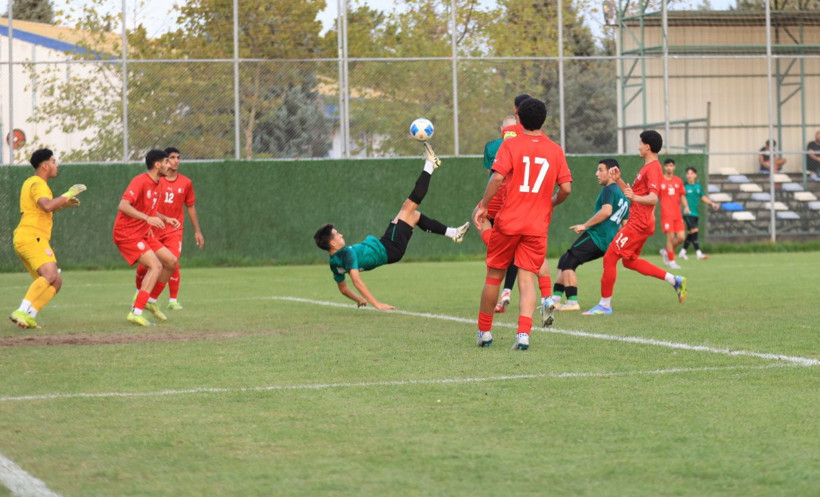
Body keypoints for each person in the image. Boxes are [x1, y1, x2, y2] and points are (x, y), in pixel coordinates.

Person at [314, 143, 469, 311]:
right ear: (333, 244)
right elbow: (356, 281)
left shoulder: (334, 262)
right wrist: (377, 304)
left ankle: (455, 233)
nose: (341, 234)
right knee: (409, 206)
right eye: (337, 235)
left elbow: (343, 288)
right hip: (390, 248)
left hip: (386, 245)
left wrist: (358, 299)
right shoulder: (347, 254)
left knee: (414, 215)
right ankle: (430, 164)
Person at [473, 97, 572, 350]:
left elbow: (496, 178)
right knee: (527, 279)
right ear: (543, 120)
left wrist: (484, 205)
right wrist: (551, 202)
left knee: (495, 275)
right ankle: (523, 335)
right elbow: (567, 189)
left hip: (509, 222)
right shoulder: (555, 149)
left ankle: (484, 332)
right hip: (537, 225)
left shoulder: (511, 145)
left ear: (519, 119)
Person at [583, 130, 686, 316]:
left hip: (638, 223)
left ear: (647, 146)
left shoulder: (654, 168)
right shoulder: (647, 167)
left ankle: (605, 305)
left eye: (640, 143)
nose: (638, 146)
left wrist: (635, 196)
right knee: (629, 262)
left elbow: (654, 198)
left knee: (610, 257)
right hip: (641, 222)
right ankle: (674, 280)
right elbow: (633, 195)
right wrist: (619, 180)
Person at [9, 149, 86, 329]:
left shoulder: (30, 182)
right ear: (45, 165)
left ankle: (30, 315)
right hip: (32, 236)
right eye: (53, 161)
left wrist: (63, 205)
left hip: (26, 237)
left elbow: (44, 209)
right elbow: (46, 206)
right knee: (51, 274)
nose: (56, 165)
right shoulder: (39, 183)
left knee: (56, 281)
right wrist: (68, 194)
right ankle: (21, 310)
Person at [550, 158, 629, 312]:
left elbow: (606, 211)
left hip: (596, 236)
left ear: (612, 172)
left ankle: (572, 302)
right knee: (564, 260)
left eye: (601, 170)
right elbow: (625, 224)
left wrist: (585, 225)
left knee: (568, 262)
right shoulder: (624, 196)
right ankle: (556, 300)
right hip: (606, 242)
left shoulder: (609, 190)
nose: (596, 173)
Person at [113, 150, 180, 326]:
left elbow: (148, 208)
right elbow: (123, 205)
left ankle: (150, 300)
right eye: (167, 161)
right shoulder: (140, 181)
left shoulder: (157, 184)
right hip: (127, 234)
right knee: (155, 266)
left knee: (171, 262)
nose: (170, 165)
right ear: (157, 165)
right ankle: (136, 312)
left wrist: (165, 218)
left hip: (142, 233)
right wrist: (147, 219)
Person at [134, 147, 204, 310]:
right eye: (171, 158)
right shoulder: (156, 181)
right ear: (163, 162)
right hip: (154, 229)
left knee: (172, 261)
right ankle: (139, 292)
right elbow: (146, 206)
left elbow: (191, 206)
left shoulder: (186, 182)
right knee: (145, 265)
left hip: (174, 230)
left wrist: (197, 231)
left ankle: (166, 300)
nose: (176, 161)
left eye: (178, 157)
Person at [482, 113, 520, 314]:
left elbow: (493, 175)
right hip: (520, 201)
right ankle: (508, 291)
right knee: (520, 251)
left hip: (499, 198)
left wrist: (485, 203)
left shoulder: (492, 146)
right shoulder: (526, 143)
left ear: (501, 130)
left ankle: (496, 247)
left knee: (479, 218)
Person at [678, 167, 719, 261]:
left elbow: (703, 197)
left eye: (691, 173)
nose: (689, 175)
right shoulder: (684, 187)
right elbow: (680, 198)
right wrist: (685, 208)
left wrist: (712, 203)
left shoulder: (698, 186)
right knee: (694, 230)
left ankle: (683, 252)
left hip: (695, 213)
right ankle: (699, 253)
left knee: (691, 233)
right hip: (687, 213)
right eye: (688, 173)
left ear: (695, 175)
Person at [658, 158, 689, 269]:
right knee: (670, 238)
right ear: (664, 167)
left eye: (671, 165)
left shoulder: (678, 181)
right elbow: (654, 197)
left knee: (681, 237)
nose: (669, 168)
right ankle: (672, 262)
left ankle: (666, 251)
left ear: (674, 167)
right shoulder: (660, 180)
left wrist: (686, 207)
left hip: (677, 214)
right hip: (666, 214)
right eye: (667, 166)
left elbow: (682, 195)